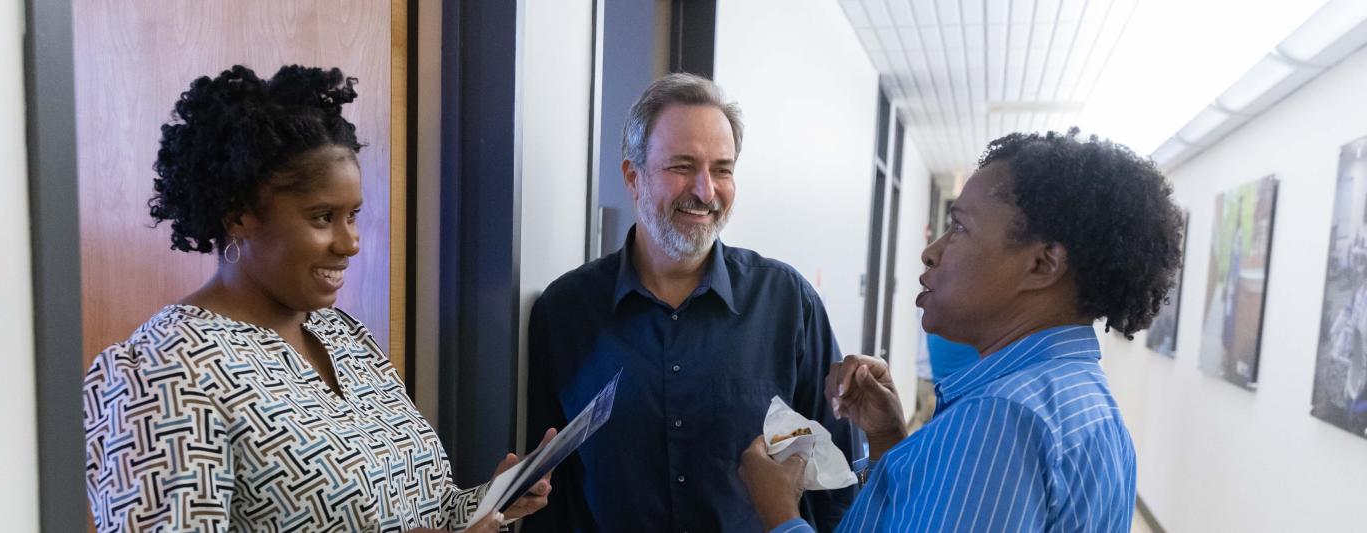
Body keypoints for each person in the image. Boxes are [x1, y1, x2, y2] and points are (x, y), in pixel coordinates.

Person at [83, 65, 552, 532]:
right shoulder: (163, 371)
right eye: (323, 217)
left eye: (353, 216)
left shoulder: (343, 335)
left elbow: (410, 513)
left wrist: (488, 503)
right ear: (239, 215)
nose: (350, 244)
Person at [741, 129, 1182, 532]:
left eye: (959, 228)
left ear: (1042, 265)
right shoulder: (1085, 400)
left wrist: (781, 511)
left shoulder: (1002, 420)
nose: (930, 253)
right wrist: (889, 442)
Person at [524, 73, 856, 532]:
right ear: (632, 177)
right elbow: (550, 501)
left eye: (722, 169)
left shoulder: (788, 304)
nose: (705, 190)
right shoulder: (564, 313)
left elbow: (837, 488)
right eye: (682, 166)